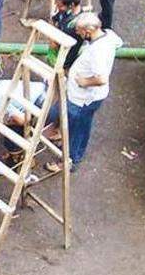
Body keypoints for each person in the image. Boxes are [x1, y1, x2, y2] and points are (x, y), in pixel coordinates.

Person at [47, 13, 122, 170]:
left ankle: (69, 161)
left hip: (83, 98)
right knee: (83, 125)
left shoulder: (98, 51)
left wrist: (83, 81)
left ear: (89, 31)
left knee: (75, 129)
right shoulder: (106, 36)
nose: (79, 34)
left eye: (80, 31)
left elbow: (101, 78)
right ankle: (75, 152)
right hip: (88, 98)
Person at [0, 79, 46, 164]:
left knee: (14, 129)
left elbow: (23, 120)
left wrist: (5, 122)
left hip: (41, 101)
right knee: (8, 119)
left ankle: (18, 159)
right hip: (40, 89)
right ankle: (16, 154)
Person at [50, 0, 84, 70]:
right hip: (56, 48)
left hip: (66, 56)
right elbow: (55, 19)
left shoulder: (79, 24)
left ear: (71, 5)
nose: (57, 8)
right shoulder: (64, 12)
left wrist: (55, 41)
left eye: (60, 6)